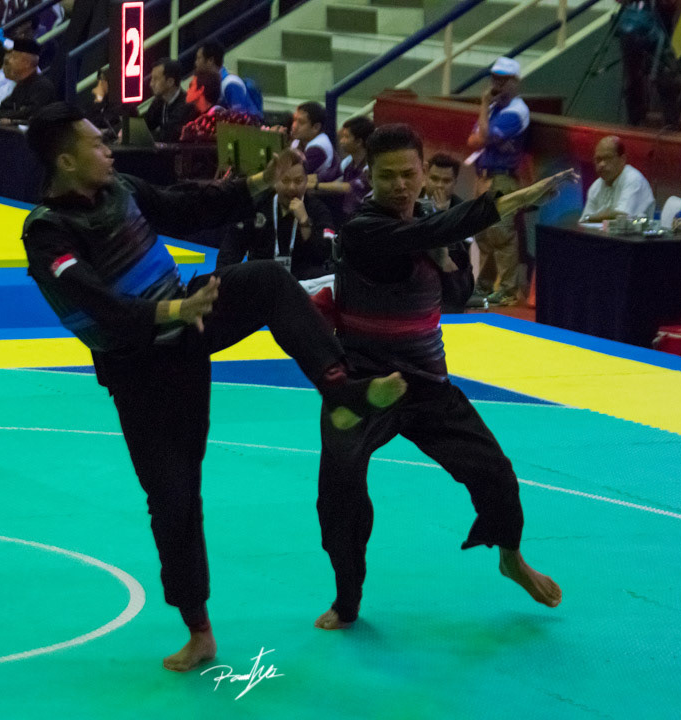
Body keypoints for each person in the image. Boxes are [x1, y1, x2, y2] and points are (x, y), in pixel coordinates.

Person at [21, 102, 407, 672]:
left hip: (189, 323)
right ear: (66, 161)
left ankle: (342, 390)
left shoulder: (122, 189)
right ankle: (198, 630)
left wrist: (260, 181)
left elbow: (188, 204)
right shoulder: (47, 232)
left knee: (269, 280)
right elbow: (101, 306)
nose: (109, 150)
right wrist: (174, 310)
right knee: (174, 498)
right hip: (140, 370)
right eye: (96, 144)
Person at [310, 124, 574, 632]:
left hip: (428, 384)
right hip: (365, 385)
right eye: (387, 176)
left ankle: (511, 557)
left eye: (408, 174)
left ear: (422, 172)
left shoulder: (437, 225)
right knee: (340, 488)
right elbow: (421, 236)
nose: (400, 186)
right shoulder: (363, 229)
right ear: (370, 177)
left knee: (495, 472)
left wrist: (447, 260)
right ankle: (347, 599)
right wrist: (515, 200)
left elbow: (457, 296)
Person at [218, 148, 336, 282]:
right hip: (262, 282)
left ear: (306, 181)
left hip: (304, 285)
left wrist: (304, 221)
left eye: (298, 181)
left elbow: (326, 255)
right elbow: (231, 249)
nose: (292, 187)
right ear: (274, 182)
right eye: (285, 180)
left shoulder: (319, 210)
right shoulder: (257, 206)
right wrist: (221, 282)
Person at [467, 57, 530, 308]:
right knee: (483, 234)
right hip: (484, 177)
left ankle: (507, 290)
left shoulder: (517, 111)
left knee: (502, 234)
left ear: (516, 81)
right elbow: (473, 140)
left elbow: (481, 137)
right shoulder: (494, 109)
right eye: (494, 79)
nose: (497, 85)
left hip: (503, 178)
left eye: (503, 80)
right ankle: (484, 285)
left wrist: (483, 105)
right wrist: (487, 136)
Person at [422, 153, 475, 314]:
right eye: (434, 179)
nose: (439, 185)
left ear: (455, 182)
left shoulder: (463, 211)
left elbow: (459, 258)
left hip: (450, 280)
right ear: (425, 176)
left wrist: (443, 217)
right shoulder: (410, 202)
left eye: (446, 181)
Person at [617, 0, 681, 128]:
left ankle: (671, 124)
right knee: (632, 77)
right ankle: (634, 121)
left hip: (660, 25)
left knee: (663, 75)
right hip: (631, 28)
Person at [580, 136, 655, 222]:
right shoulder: (596, 186)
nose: (601, 164)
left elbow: (621, 216)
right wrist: (590, 218)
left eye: (608, 158)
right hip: (602, 231)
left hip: (632, 230)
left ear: (622, 159)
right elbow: (584, 221)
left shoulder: (633, 179)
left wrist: (591, 218)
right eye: (598, 159)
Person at [312, 116, 374, 219]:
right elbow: (323, 177)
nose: (341, 141)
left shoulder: (371, 166)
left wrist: (315, 186)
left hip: (362, 217)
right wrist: (302, 181)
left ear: (359, 142)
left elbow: (348, 187)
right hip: (346, 215)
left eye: (346, 137)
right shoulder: (348, 161)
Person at [179, 70, 258, 143]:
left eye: (191, 86)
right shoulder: (191, 114)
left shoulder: (219, 119)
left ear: (201, 90)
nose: (187, 90)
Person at [194, 39, 258, 115]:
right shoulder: (209, 84)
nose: (196, 63)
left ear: (210, 60)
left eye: (199, 58)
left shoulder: (230, 84)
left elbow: (240, 118)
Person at [145, 58, 197, 143]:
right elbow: (146, 126)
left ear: (170, 82)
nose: (151, 84)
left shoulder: (186, 106)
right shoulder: (159, 101)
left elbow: (169, 136)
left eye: (155, 79)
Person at [291, 101, 336, 176]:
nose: (294, 126)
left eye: (301, 122)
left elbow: (292, 173)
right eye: (295, 120)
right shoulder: (299, 141)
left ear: (316, 127)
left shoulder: (317, 149)